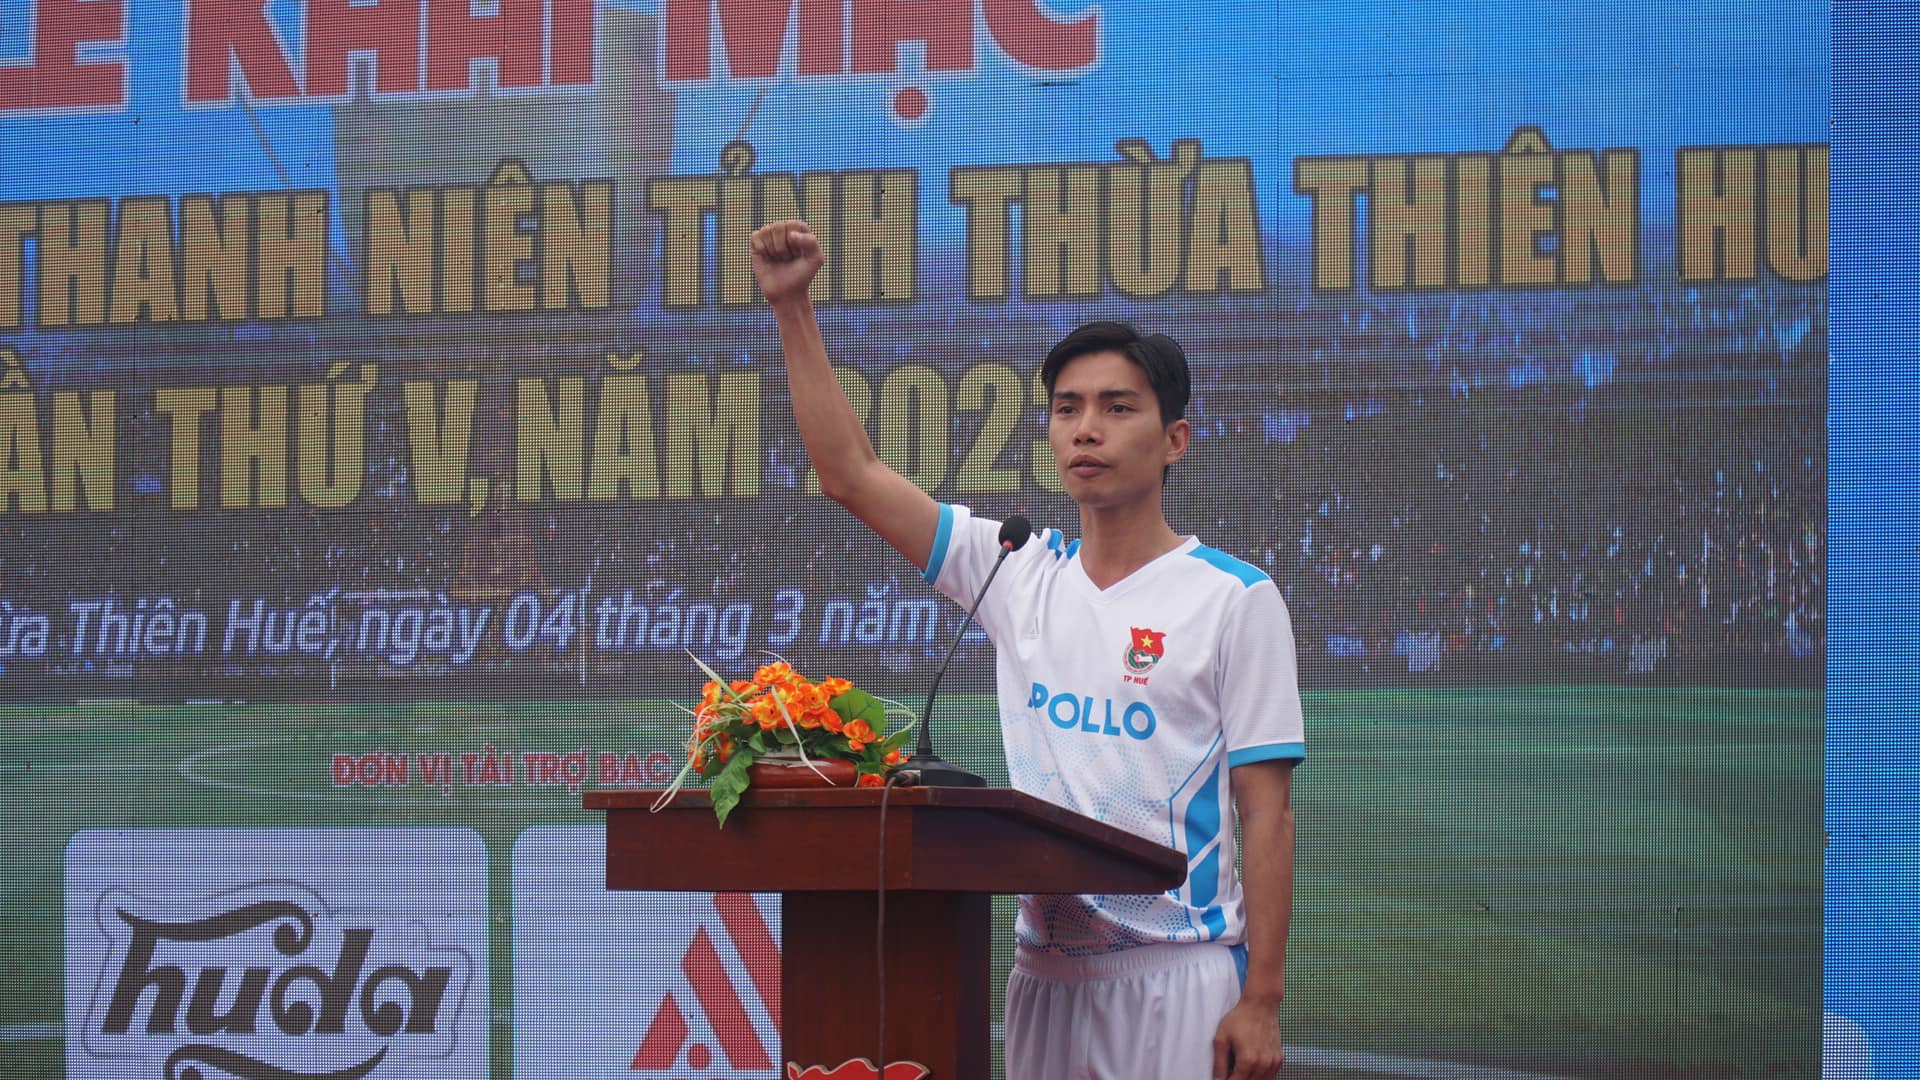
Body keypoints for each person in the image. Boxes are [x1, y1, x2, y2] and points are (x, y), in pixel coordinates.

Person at [751, 219, 1302, 1080]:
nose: (1087, 429)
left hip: (1180, 973)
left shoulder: (1234, 598)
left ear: (1174, 440)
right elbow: (851, 475)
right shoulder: (1015, 569)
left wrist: (1261, 997)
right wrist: (792, 308)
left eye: (1118, 408)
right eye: (1067, 409)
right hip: (1044, 974)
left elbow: (1267, 812)